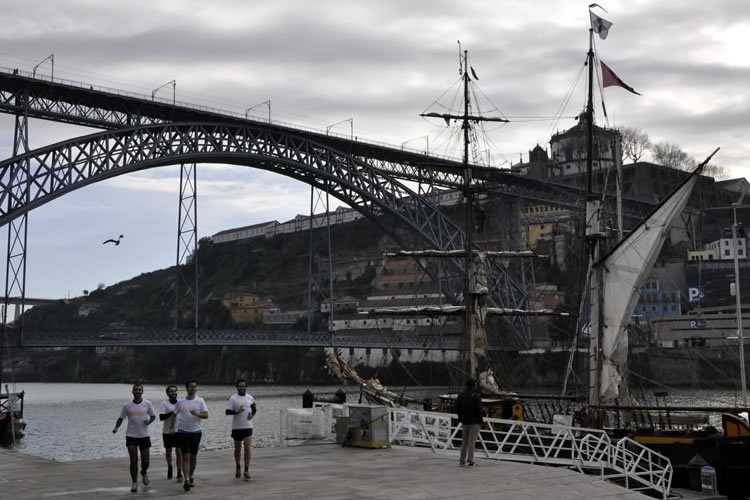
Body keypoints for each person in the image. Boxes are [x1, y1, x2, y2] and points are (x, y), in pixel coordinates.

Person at [112, 382, 156, 493]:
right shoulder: (127, 405)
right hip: (131, 436)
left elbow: (153, 416)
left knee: (146, 461)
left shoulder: (148, 403)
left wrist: (149, 422)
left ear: (142, 391)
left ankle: (144, 472)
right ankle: (134, 483)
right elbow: (121, 418)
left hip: (144, 436)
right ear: (132, 391)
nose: (137, 391)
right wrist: (116, 428)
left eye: (139, 390)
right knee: (133, 460)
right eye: (136, 389)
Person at [175, 380, 209, 492]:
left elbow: (206, 415)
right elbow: (174, 415)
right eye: (190, 386)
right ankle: (186, 480)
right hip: (183, 432)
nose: (193, 388)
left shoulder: (200, 401)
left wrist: (197, 414)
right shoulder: (180, 402)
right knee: (186, 456)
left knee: (193, 457)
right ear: (187, 388)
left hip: (196, 432)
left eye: (194, 386)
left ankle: (191, 475)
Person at [225, 379, 257, 481]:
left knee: (247, 448)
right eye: (240, 386)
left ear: (246, 387)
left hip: (248, 426)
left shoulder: (250, 397)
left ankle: (246, 470)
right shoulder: (233, 398)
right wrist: (237, 412)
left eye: (243, 386)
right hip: (237, 428)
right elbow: (227, 412)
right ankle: (238, 466)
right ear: (237, 387)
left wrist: (252, 415)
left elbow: (254, 409)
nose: (242, 387)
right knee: (238, 449)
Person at [456, 378, 483, 467]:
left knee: (464, 442)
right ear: (473, 385)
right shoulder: (476, 396)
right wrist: (481, 420)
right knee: (472, 442)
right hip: (474, 421)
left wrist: (460, 418)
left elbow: (457, 408)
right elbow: (479, 409)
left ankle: (462, 460)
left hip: (465, 421)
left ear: (466, 385)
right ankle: (470, 460)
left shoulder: (461, 395)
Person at [159, 385, 182, 480]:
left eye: (175, 391)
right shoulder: (164, 404)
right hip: (167, 431)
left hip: (178, 431)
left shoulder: (181, 403)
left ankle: (179, 471)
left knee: (179, 451)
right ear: (167, 393)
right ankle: (170, 467)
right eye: (171, 391)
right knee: (168, 451)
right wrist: (172, 413)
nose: (173, 393)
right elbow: (161, 417)